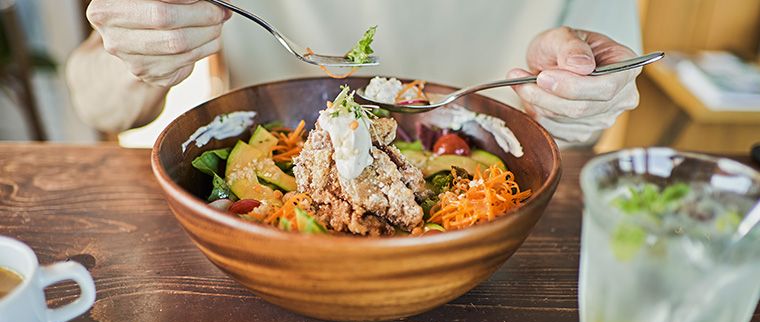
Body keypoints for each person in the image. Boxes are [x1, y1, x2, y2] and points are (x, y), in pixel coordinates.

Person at [66, 0, 642, 146]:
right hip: (258, 253)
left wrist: (575, 94)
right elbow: (97, 103)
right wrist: (140, 52)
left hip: (503, 245)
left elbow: (607, 88)